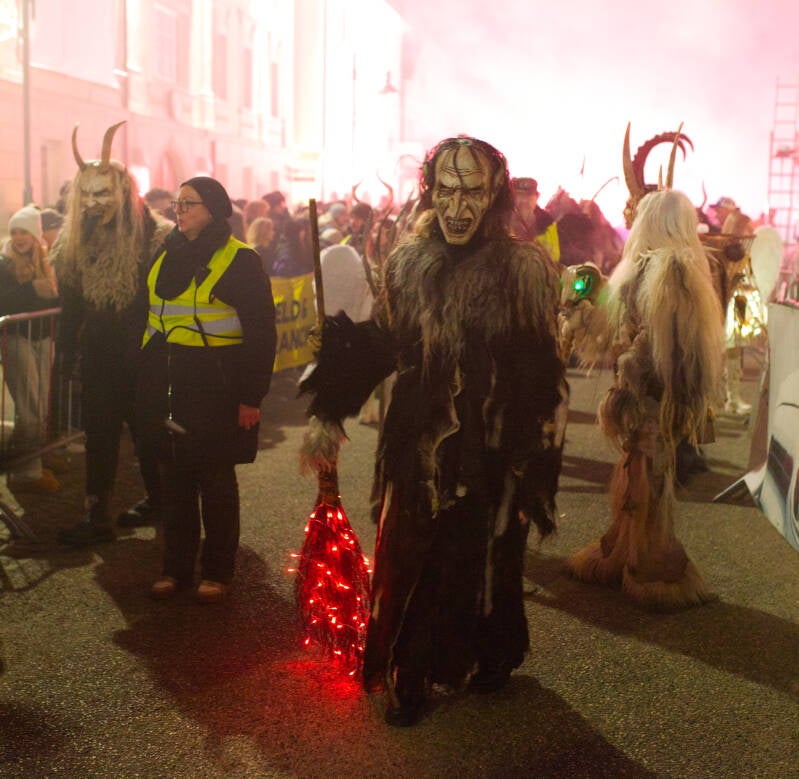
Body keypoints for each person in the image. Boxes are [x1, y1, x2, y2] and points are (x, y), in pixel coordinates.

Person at [299, 136, 566, 726]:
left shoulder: (522, 270)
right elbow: (386, 341)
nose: (457, 207)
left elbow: (539, 369)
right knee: (411, 551)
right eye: (446, 190)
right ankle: (410, 670)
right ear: (430, 193)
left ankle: (493, 651)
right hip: (418, 436)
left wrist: (531, 456)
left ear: (493, 195)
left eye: (471, 191)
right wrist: (332, 392)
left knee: (486, 554)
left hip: (490, 442)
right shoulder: (410, 263)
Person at [562, 189, 725, 608]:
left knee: (647, 470)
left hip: (653, 394)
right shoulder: (651, 267)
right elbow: (619, 324)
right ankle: (628, 554)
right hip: (642, 392)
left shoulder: (672, 271)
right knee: (638, 467)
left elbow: (663, 343)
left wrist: (633, 371)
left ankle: (652, 567)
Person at [137, 176, 276, 603]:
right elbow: (150, 317)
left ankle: (217, 572)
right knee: (174, 483)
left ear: (213, 209)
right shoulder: (166, 253)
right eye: (177, 204)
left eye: (189, 204)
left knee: (216, 482)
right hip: (169, 381)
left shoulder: (240, 260)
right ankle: (175, 569)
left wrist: (251, 396)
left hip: (218, 383)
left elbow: (261, 332)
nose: (178, 211)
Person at [52, 121, 173, 546]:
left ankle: (162, 502)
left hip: (145, 355)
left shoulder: (155, 236)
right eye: (85, 194)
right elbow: (71, 304)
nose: (92, 203)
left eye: (102, 193)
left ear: (124, 191)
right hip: (101, 356)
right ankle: (96, 514)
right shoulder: (74, 241)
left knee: (150, 435)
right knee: (99, 436)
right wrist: (66, 352)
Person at [0, 206, 60, 492]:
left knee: (42, 406)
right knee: (30, 409)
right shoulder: (4, 263)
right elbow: (5, 302)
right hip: (17, 339)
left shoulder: (45, 262)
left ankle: (33, 459)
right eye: (14, 232)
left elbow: (54, 300)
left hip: (42, 339)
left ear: (36, 235)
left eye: (24, 232)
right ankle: (26, 471)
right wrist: (33, 289)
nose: (19, 238)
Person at [509, 177, 560, 261]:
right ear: (512, 197)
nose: (524, 200)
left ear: (537, 197)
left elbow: (554, 258)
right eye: (520, 195)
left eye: (529, 196)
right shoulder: (500, 221)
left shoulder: (547, 224)